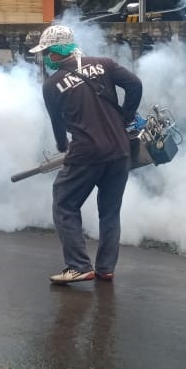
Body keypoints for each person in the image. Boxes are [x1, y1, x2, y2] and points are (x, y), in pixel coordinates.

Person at [29, 24, 143, 285]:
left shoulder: (52, 84)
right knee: (110, 212)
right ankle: (105, 268)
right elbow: (135, 85)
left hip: (86, 152)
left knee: (64, 203)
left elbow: (58, 124)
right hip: (119, 150)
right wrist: (126, 115)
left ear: (58, 51)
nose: (46, 57)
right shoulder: (105, 64)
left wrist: (61, 146)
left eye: (48, 52)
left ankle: (78, 265)